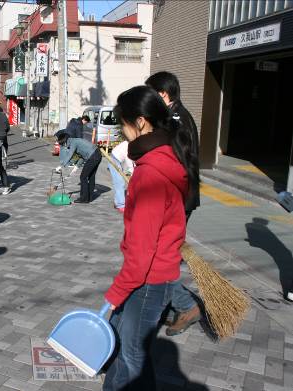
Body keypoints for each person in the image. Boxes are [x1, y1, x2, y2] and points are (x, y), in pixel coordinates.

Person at [102, 86, 199, 390]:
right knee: (126, 347)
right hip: (157, 274)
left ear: (141, 122)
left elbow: (141, 253)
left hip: (147, 280)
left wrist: (114, 294)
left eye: (124, 123)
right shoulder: (168, 157)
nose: (122, 130)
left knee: (131, 356)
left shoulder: (150, 174)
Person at [146, 71, 202, 336]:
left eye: (152, 94)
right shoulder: (177, 116)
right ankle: (170, 305)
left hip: (176, 199)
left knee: (159, 258)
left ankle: (186, 305)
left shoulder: (175, 119)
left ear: (163, 94)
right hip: (178, 197)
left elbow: (175, 164)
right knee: (162, 255)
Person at [56, 133, 102, 204]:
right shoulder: (75, 141)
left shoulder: (73, 143)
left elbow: (70, 155)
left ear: (65, 142)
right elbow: (82, 156)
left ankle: (84, 198)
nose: (64, 146)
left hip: (93, 156)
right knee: (91, 176)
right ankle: (89, 197)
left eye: (63, 145)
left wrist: (61, 166)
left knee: (83, 177)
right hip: (97, 154)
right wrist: (77, 166)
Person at [108, 140, 134, 213]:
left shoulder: (133, 142)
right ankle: (120, 205)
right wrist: (132, 171)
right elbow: (128, 159)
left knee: (119, 181)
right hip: (114, 160)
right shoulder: (129, 144)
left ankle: (117, 202)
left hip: (118, 160)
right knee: (119, 182)